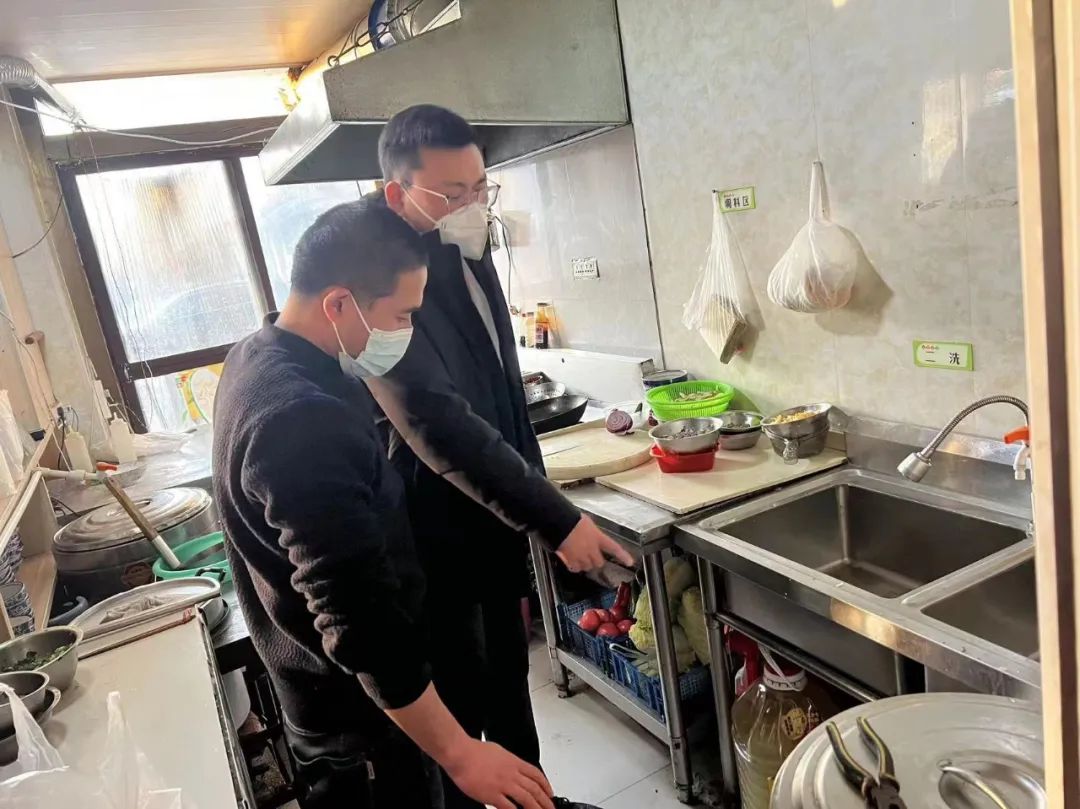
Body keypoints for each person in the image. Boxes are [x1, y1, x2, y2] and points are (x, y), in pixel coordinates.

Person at [212, 199, 555, 809]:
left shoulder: (257, 353)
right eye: (402, 315)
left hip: (343, 702)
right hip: (362, 722)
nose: (408, 332)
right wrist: (460, 752)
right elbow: (359, 624)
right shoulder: (299, 419)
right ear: (339, 304)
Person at [364, 104, 635, 808]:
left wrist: (533, 501)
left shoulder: (464, 245)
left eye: (480, 186)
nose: (471, 204)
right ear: (398, 194)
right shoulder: (381, 278)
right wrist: (557, 520)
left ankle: (534, 801)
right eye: (451, 192)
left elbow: (501, 389)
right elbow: (436, 422)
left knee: (511, 686)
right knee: (460, 714)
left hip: (492, 523)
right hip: (434, 536)